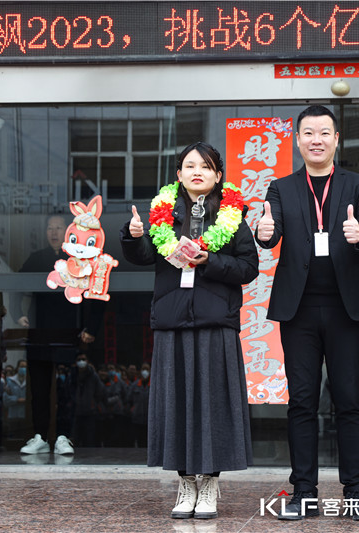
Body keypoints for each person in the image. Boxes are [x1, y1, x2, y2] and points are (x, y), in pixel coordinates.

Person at [255, 105, 359, 521]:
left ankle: (356, 492)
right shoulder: (281, 187)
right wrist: (263, 233)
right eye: (308, 133)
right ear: (297, 140)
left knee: (349, 401)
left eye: (324, 132)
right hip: (299, 310)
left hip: (346, 309)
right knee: (302, 402)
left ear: (336, 139)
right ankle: (303, 492)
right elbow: (268, 231)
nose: (316, 140)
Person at [121, 141, 257, 520]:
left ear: (218, 175)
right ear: (179, 174)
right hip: (172, 320)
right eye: (190, 166)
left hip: (216, 322)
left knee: (213, 404)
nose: (198, 172)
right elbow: (144, 255)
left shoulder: (232, 214)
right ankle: (185, 483)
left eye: (206, 166)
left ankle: (209, 483)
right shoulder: (163, 212)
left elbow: (248, 267)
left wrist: (209, 260)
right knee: (176, 403)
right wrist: (133, 235)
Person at [10, 213, 104, 456]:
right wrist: (17, 315)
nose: (53, 232)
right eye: (49, 228)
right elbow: (15, 286)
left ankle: (63, 436)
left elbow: (97, 292)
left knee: (66, 390)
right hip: (39, 332)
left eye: (58, 227)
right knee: (39, 390)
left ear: (68, 231)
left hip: (68, 334)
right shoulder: (36, 259)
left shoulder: (79, 256)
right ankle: (40, 437)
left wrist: (91, 328)